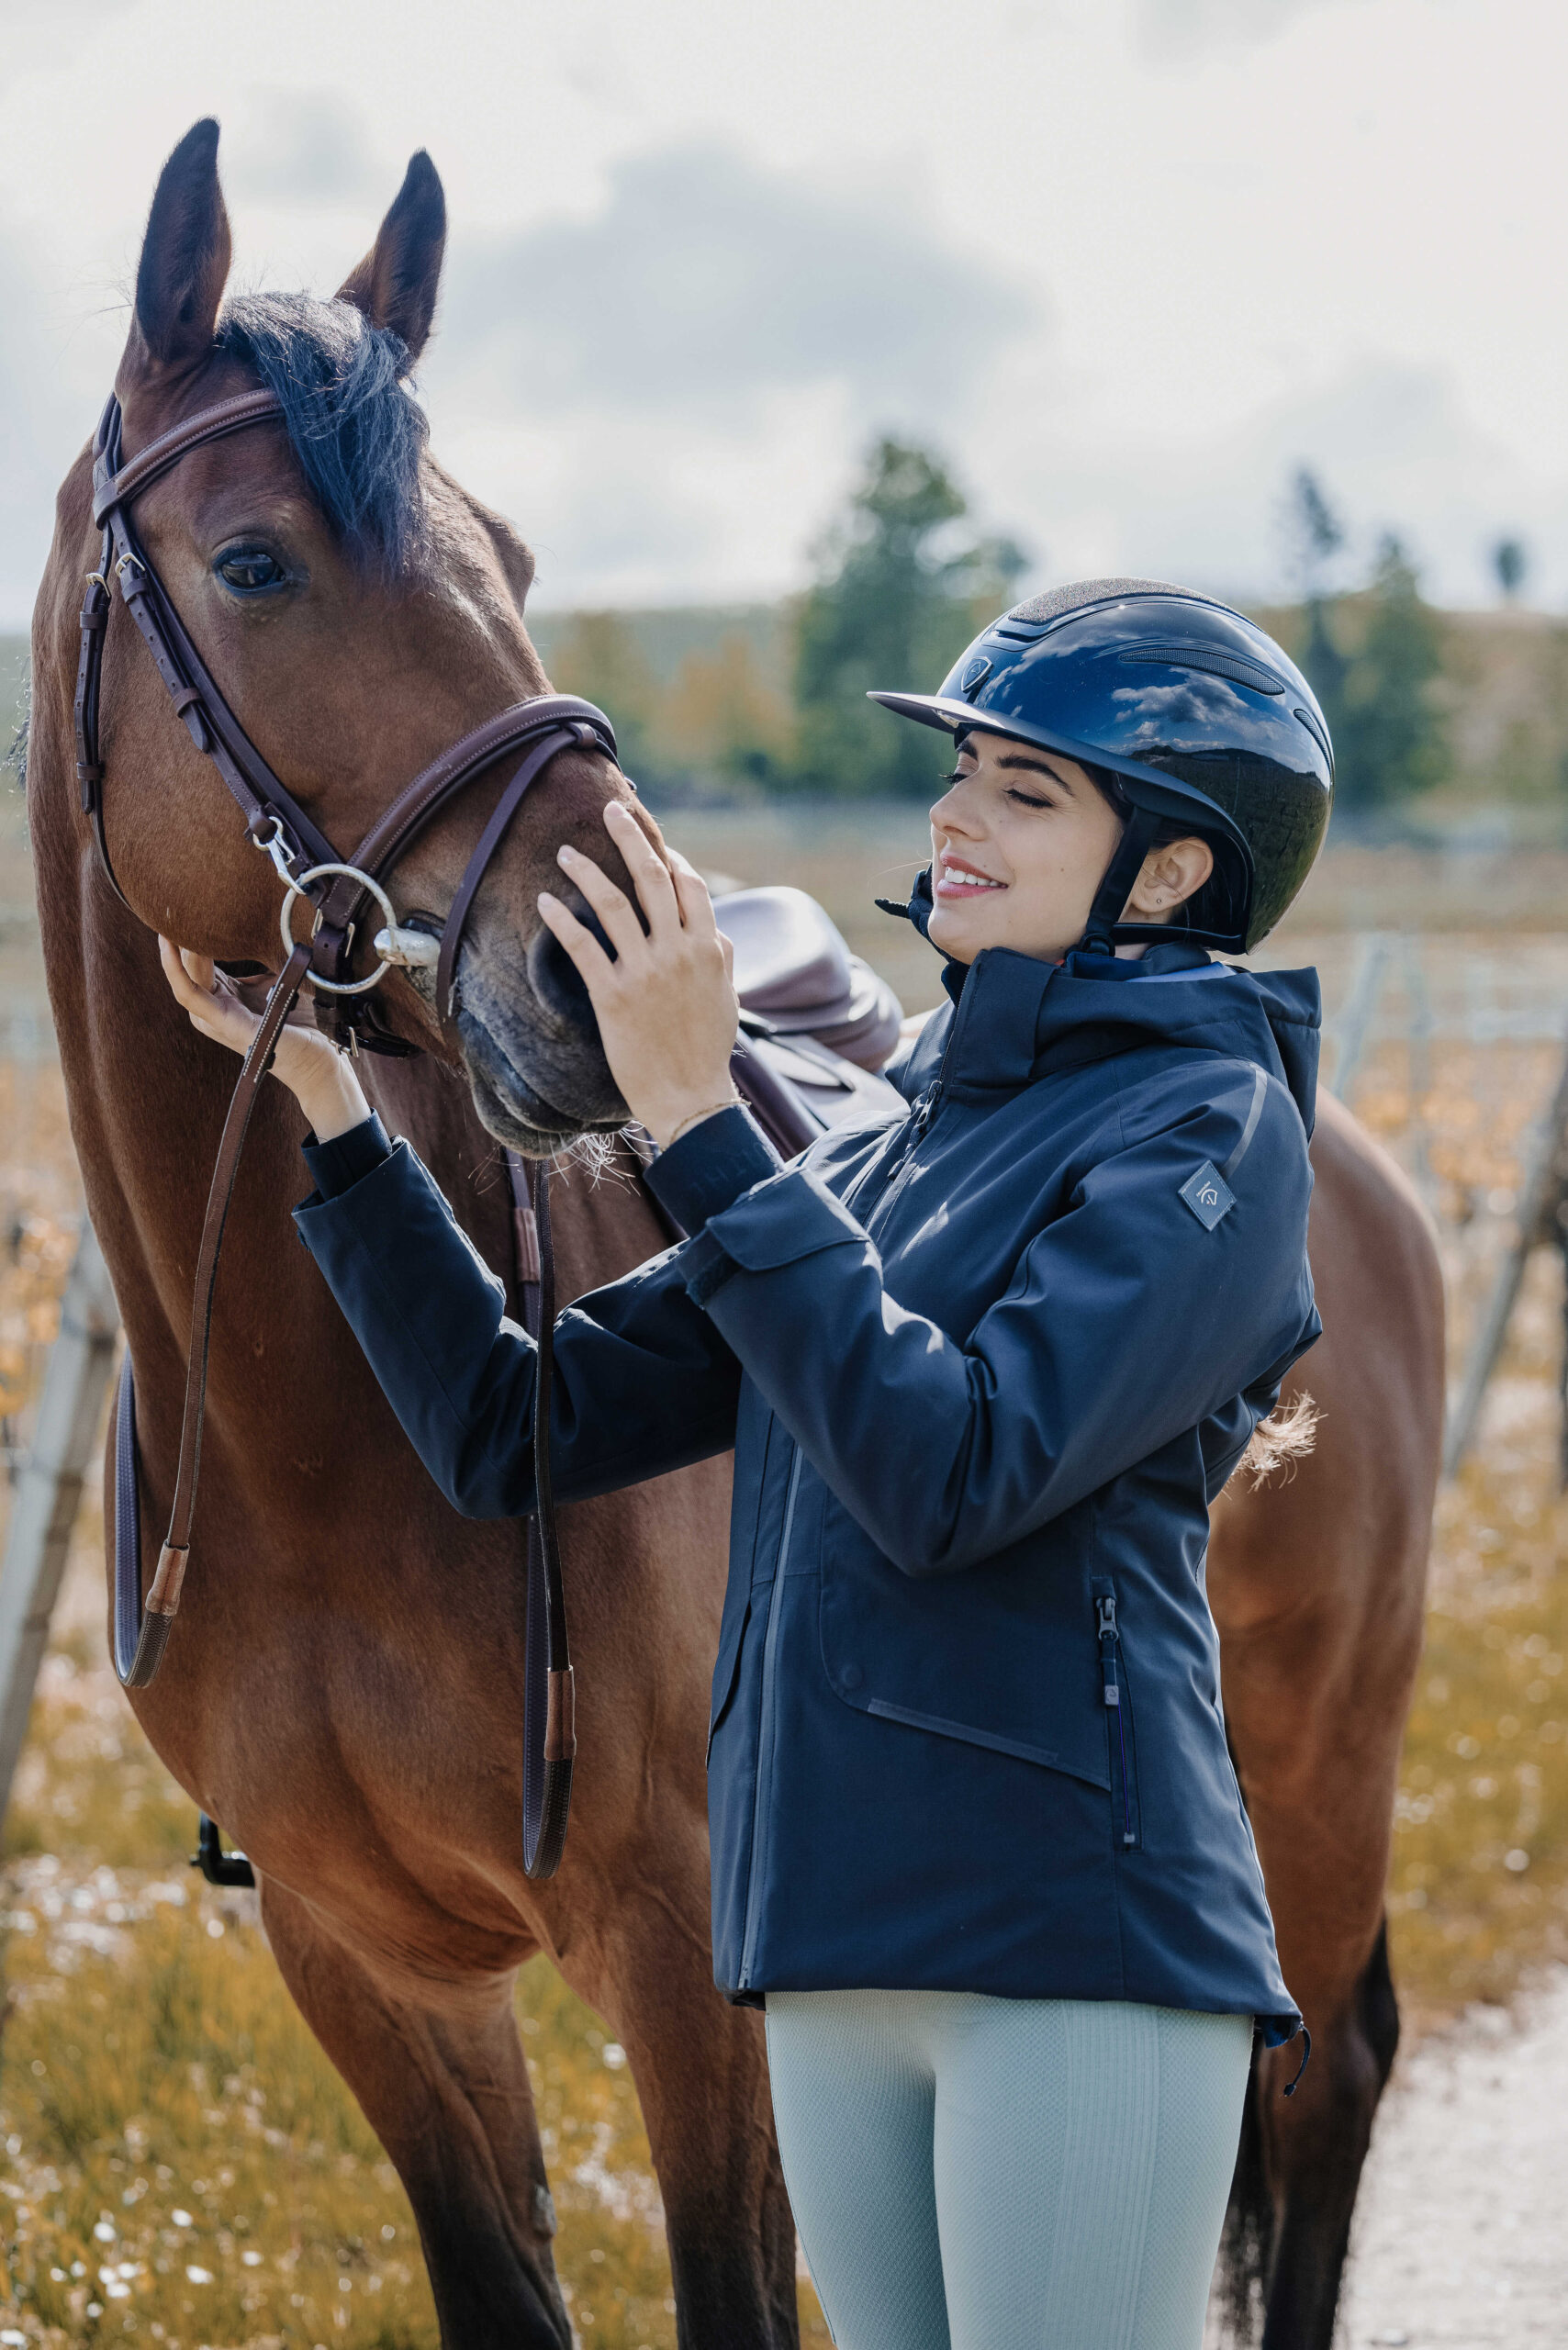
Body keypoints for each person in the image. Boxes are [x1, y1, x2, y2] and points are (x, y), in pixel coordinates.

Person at [162, 577, 1333, 2350]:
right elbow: (513, 1425)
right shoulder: (886, 1164)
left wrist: (704, 1121)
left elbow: (953, 1472)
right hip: (828, 1947)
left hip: (1072, 1948)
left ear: (1168, 873)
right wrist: (338, 1119)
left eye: (1030, 791)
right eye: (965, 775)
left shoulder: (1209, 1132)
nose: (956, 815)